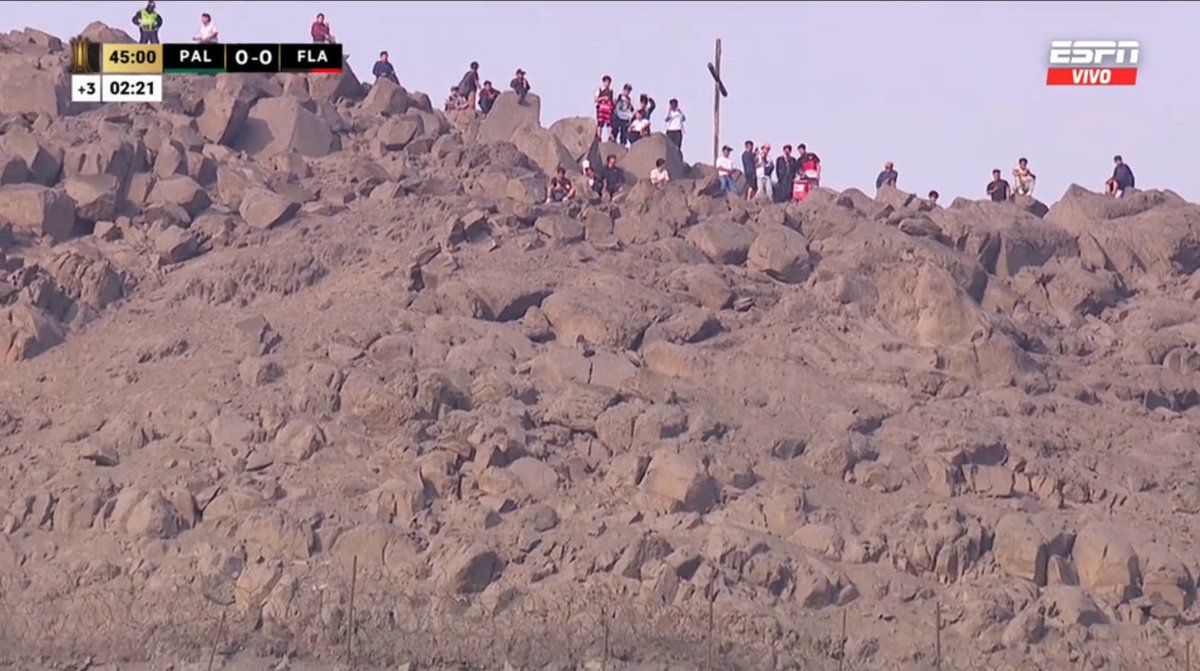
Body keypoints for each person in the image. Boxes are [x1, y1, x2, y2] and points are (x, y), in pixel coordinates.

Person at [594, 76, 615, 142]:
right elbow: (595, 99)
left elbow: (613, 100)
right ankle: (599, 136)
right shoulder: (599, 90)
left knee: (609, 123)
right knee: (600, 123)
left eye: (609, 82)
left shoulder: (611, 91)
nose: (607, 83)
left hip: (608, 110)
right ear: (603, 82)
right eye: (606, 82)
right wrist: (603, 98)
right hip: (601, 109)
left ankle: (609, 136)